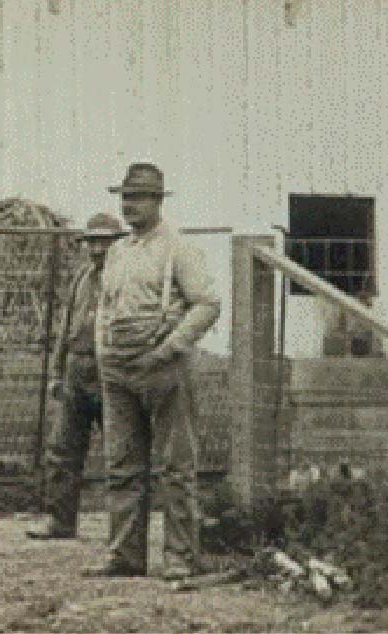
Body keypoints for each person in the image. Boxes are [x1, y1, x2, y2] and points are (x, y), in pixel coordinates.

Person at [89, 162, 221, 581]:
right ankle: (125, 556)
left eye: (139, 197)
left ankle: (180, 558)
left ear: (158, 201)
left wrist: (169, 348)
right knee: (121, 464)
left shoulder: (178, 248)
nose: (130, 206)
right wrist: (102, 355)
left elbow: (207, 304)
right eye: (126, 197)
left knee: (176, 467)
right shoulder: (117, 251)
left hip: (163, 369)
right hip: (118, 370)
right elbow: (105, 310)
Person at [28, 212, 124, 540]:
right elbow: (65, 329)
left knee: (121, 452)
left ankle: (124, 530)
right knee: (63, 448)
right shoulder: (82, 278)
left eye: (105, 243)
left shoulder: (126, 280)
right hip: (76, 370)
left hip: (110, 372)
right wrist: (57, 371)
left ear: (119, 245)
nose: (98, 250)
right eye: (93, 242)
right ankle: (60, 520)